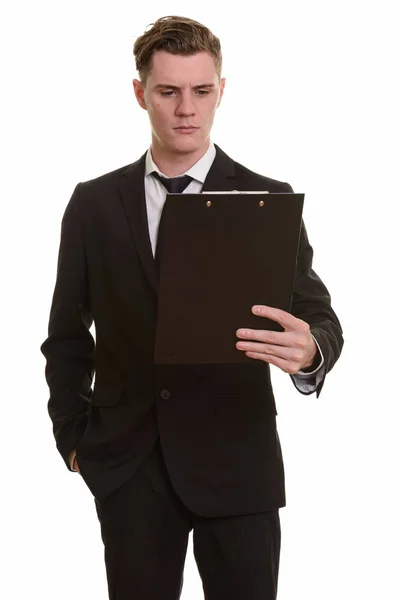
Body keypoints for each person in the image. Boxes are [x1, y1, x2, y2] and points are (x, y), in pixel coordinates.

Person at [40, 15, 343, 600]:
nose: (187, 109)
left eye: (202, 91)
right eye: (168, 91)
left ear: (221, 91)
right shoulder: (94, 205)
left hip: (238, 467)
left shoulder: (267, 200)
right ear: (140, 93)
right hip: (129, 469)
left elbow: (319, 315)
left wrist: (311, 353)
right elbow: (66, 339)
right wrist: (74, 441)